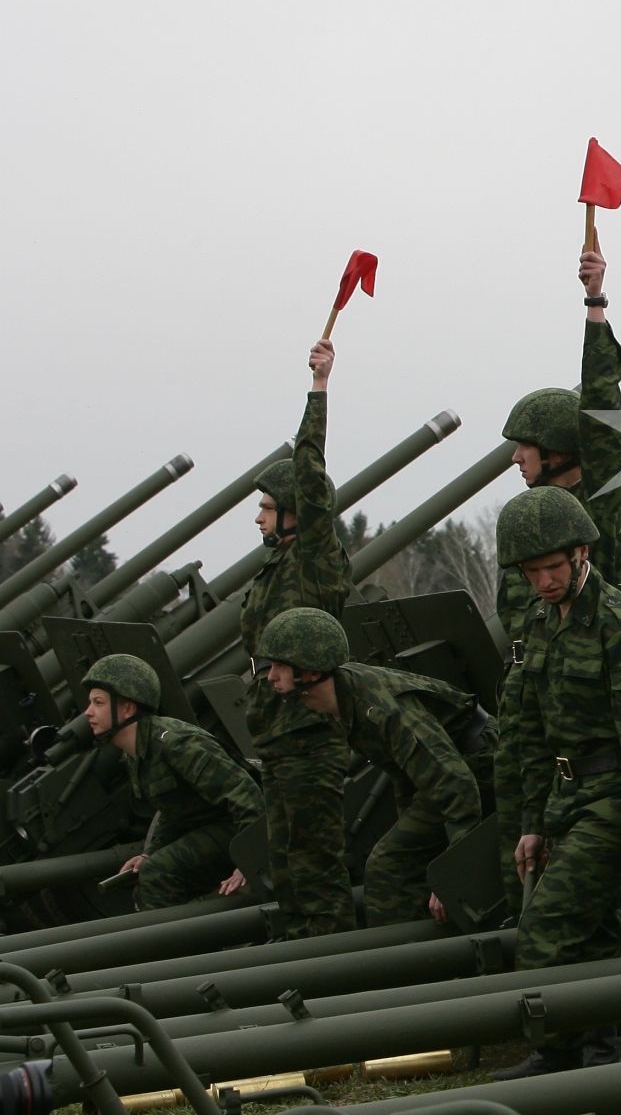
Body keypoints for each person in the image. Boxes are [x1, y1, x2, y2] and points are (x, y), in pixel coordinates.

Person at [492, 485, 621, 1078]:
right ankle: (592, 1058)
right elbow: (527, 730)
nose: (543, 580)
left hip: (614, 796)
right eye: (531, 571)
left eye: (552, 567)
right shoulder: (540, 621)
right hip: (565, 796)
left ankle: (561, 1054)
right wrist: (532, 823)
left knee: (543, 931)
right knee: (591, 936)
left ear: (580, 555)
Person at [493, 247, 621, 911]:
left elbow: (604, 413)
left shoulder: (596, 513)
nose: (517, 459)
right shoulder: (526, 529)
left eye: (524, 447)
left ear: (556, 451)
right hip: (534, 730)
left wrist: (595, 302)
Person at [255, 607, 494, 928]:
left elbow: (455, 783)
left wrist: (455, 868)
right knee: (396, 857)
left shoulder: (377, 706)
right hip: (449, 778)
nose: (271, 676)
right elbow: (407, 776)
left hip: (482, 766)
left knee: (388, 865)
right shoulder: (336, 699)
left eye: (281, 666)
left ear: (310, 671)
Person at [241, 337, 357, 940]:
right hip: (278, 738)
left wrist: (319, 389)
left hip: (311, 738)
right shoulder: (274, 570)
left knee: (317, 875)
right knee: (286, 872)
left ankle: (337, 990)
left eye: (267, 506)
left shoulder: (314, 560)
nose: (259, 517)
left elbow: (312, 478)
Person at [82, 654, 260, 910]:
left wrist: (252, 858)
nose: (88, 712)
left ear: (128, 708)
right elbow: (173, 810)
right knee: (149, 875)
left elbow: (246, 795)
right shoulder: (137, 752)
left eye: (98, 703)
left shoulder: (176, 744)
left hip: (242, 828)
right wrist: (149, 853)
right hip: (218, 827)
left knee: (158, 874)